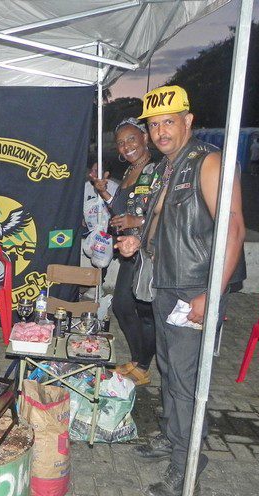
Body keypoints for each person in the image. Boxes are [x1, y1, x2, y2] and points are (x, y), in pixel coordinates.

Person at [116, 85, 246, 496]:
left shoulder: (209, 161)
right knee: (170, 370)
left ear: (188, 121)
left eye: (168, 122)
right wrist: (138, 240)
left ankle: (186, 464)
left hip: (195, 287)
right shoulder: (167, 167)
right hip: (166, 282)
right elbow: (157, 218)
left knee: (187, 379)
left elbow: (233, 228)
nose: (161, 132)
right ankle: (173, 438)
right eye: (154, 125)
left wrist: (212, 293)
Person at [93, 118, 157, 386]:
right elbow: (121, 211)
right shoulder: (131, 170)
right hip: (129, 250)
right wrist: (104, 193)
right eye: (121, 142)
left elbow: (165, 210)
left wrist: (138, 221)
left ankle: (143, 366)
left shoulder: (157, 169)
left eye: (131, 139)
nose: (126, 146)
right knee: (121, 305)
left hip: (149, 250)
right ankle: (137, 359)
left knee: (145, 310)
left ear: (145, 138)